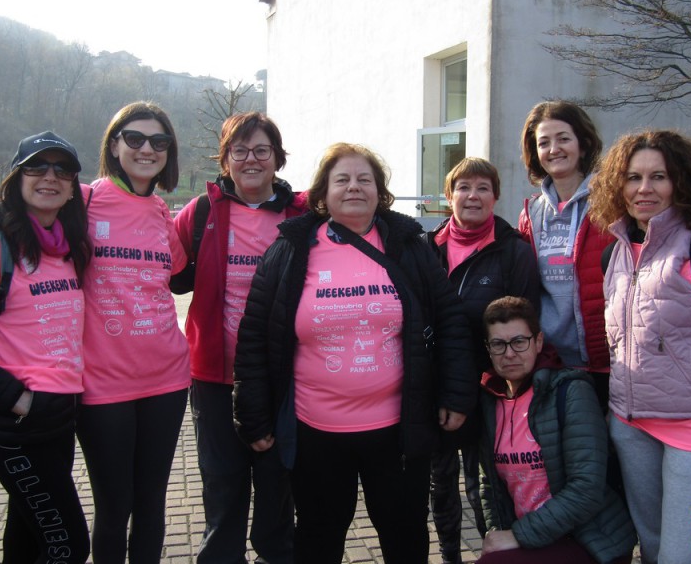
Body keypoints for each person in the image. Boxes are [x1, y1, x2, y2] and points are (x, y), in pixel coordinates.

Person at [233, 142, 478, 564]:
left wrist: (457, 395)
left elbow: (450, 319)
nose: (354, 187)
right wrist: (253, 415)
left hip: (398, 430)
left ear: (379, 192)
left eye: (365, 179)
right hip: (316, 433)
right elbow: (255, 336)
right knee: (318, 539)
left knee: (405, 538)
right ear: (323, 193)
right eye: (342, 179)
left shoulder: (409, 246)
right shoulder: (290, 249)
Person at [588, 129, 691, 564]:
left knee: (683, 557)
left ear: (681, 181)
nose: (644, 188)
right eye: (633, 177)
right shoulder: (614, 255)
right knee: (654, 548)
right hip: (632, 428)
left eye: (658, 176)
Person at [0, 131, 92, 562]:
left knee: (28, 538)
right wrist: (18, 399)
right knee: (69, 545)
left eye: (62, 169)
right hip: (16, 427)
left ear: (73, 188)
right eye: (36, 167)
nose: (50, 177)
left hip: (58, 421)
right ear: (16, 178)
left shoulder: (68, 250)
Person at [172, 112, 306, 563]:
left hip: (282, 377)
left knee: (278, 485)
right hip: (214, 375)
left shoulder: (302, 215)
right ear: (225, 159)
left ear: (277, 159)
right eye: (240, 150)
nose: (251, 159)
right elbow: (161, 268)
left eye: (262, 150)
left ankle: (276, 554)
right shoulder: (202, 212)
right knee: (223, 484)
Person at [76, 102, 191, 563]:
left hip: (167, 377)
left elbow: (177, 274)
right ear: (113, 145)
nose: (147, 149)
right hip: (102, 382)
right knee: (113, 506)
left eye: (159, 141)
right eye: (135, 138)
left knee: (151, 502)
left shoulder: (162, 211)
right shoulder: (82, 201)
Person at [425, 157, 540, 564]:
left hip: (491, 387)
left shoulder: (513, 251)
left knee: (487, 483)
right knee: (440, 482)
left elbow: (525, 322)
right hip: (438, 386)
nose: (472, 196)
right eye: (463, 187)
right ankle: (450, 555)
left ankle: (494, 555)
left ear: (495, 196)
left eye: (482, 188)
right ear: (449, 195)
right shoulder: (427, 248)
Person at [476, 296, 635, 564]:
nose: (509, 353)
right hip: (533, 538)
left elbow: (586, 490)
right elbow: (489, 483)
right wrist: (495, 533)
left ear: (538, 342)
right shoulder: (491, 401)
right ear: (488, 349)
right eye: (498, 344)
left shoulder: (571, 391)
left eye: (519, 341)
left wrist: (517, 536)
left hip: (587, 538)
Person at [518, 100, 612, 409]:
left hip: (605, 362)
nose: (553, 149)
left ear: (583, 145)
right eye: (543, 142)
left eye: (563, 139)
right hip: (550, 362)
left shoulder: (611, 205)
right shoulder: (531, 213)